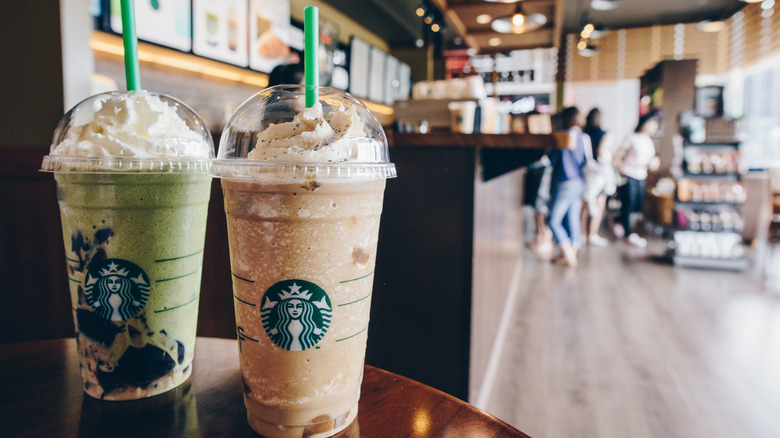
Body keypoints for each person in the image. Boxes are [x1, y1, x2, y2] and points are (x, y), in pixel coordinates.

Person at [547, 107, 591, 267]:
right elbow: (586, 161)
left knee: (553, 221)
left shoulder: (562, 137)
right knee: (573, 219)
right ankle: (571, 251)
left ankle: (567, 252)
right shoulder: (584, 137)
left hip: (565, 181)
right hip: (579, 181)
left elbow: (552, 160)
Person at [614, 113, 661, 248]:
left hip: (641, 175)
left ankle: (617, 221)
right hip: (629, 173)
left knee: (638, 204)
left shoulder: (649, 141)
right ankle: (628, 234)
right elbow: (617, 155)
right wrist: (620, 172)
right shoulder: (632, 138)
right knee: (628, 204)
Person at [581, 108, 615, 247]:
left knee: (585, 204)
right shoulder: (605, 134)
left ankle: (581, 234)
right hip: (599, 174)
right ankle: (592, 234)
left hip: (585, 172)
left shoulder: (583, 134)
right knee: (599, 205)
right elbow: (601, 152)